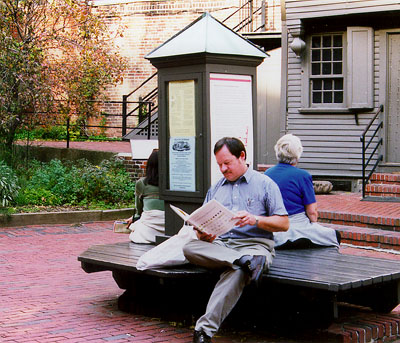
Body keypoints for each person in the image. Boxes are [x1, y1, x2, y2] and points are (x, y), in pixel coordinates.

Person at [182, 137, 289, 343]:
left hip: (256, 246)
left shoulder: (265, 184)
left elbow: (283, 223)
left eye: (227, 163)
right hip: (222, 246)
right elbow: (203, 227)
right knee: (189, 247)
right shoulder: (216, 188)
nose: (222, 169)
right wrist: (202, 234)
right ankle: (242, 260)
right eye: (219, 164)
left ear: (242, 156)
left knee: (238, 271)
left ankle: (203, 331)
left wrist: (255, 219)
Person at [264, 134, 340, 249]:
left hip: (275, 223)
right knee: (334, 235)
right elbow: (312, 212)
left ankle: (283, 239)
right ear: (297, 154)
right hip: (298, 223)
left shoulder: (267, 174)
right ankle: (299, 238)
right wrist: (314, 225)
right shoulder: (303, 176)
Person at [126, 149, 165, 244]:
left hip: (148, 230)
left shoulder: (142, 183)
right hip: (168, 226)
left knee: (134, 229)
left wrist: (134, 218)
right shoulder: (173, 183)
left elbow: (139, 210)